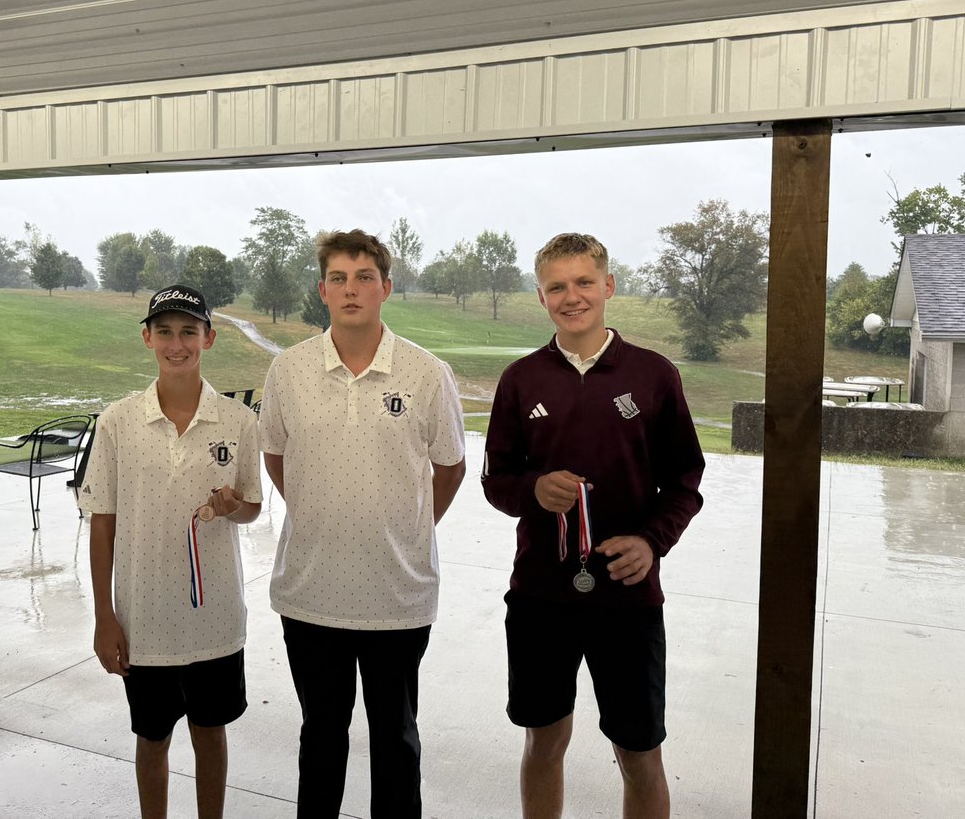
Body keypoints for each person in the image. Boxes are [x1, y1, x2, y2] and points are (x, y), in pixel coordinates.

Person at [481, 233, 704, 819]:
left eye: (584, 282)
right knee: (544, 741)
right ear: (540, 297)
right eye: (557, 286)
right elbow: (496, 482)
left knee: (639, 752)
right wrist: (534, 489)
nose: (571, 296)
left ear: (608, 286)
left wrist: (651, 543)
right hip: (540, 595)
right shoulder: (521, 380)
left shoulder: (654, 375)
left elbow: (685, 480)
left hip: (628, 597)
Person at [258, 229, 467, 818]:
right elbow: (276, 457)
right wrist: (321, 508)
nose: (352, 289)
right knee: (320, 737)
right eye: (339, 279)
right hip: (310, 593)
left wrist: (406, 526)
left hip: (397, 596)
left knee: (396, 739)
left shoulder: (427, 373)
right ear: (322, 290)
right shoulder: (288, 371)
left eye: (365, 277)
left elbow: (449, 467)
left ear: (386, 288)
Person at [81, 284, 262, 819]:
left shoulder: (238, 421)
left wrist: (232, 508)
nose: (176, 344)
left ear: (209, 337)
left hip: (215, 619)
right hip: (145, 621)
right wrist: (103, 616)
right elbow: (102, 522)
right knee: (152, 739)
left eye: (188, 332)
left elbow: (252, 506)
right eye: (165, 332)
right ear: (147, 338)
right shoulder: (117, 421)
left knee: (211, 734)